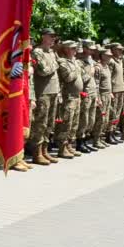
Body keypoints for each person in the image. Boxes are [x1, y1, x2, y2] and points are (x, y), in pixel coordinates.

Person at [29, 28, 60, 165]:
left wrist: (58, 92)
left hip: (53, 92)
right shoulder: (37, 52)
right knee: (40, 124)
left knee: (49, 124)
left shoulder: (52, 53)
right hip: (43, 93)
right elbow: (44, 71)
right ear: (43, 37)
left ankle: (45, 151)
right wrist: (55, 64)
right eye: (51, 36)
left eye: (54, 37)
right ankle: (37, 153)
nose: (53, 39)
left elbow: (54, 72)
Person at [55, 40, 84, 158]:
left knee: (74, 123)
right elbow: (68, 77)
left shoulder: (75, 62)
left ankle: (69, 145)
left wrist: (76, 66)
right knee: (67, 123)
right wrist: (76, 68)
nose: (75, 50)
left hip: (77, 96)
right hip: (69, 97)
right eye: (72, 48)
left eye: (75, 48)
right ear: (66, 49)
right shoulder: (63, 62)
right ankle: (62, 148)